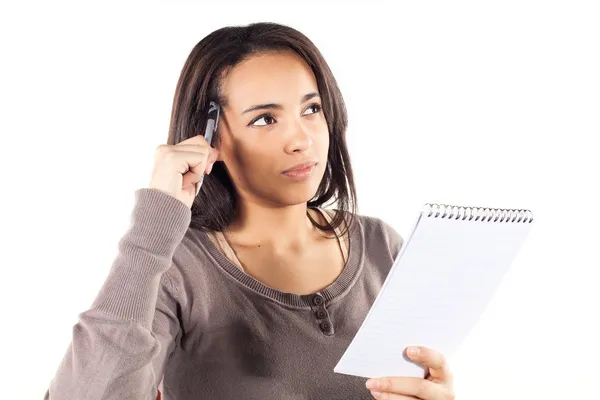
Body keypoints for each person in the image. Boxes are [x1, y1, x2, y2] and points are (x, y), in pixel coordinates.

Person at [44, 22, 455, 400]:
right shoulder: (176, 269)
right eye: (265, 119)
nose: (301, 140)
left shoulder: (383, 246)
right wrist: (154, 225)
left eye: (311, 109)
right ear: (210, 138)